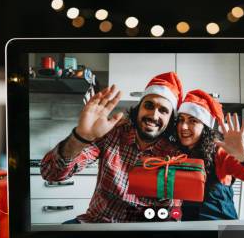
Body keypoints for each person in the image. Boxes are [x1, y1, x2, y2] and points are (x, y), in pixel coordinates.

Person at [40, 72, 183, 223]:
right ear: (138, 108)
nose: (154, 116)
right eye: (149, 105)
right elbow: (51, 173)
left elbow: (173, 216)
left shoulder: (174, 155)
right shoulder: (113, 133)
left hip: (143, 237)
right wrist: (81, 137)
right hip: (95, 225)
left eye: (163, 111)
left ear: (171, 119)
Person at [175, 89, 244, 220]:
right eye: (181, 120)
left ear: (205, 127)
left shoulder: (220, 154)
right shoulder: (173, 153)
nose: (183, 127)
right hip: (188, 231)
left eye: (193, 121)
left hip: (221, 231)